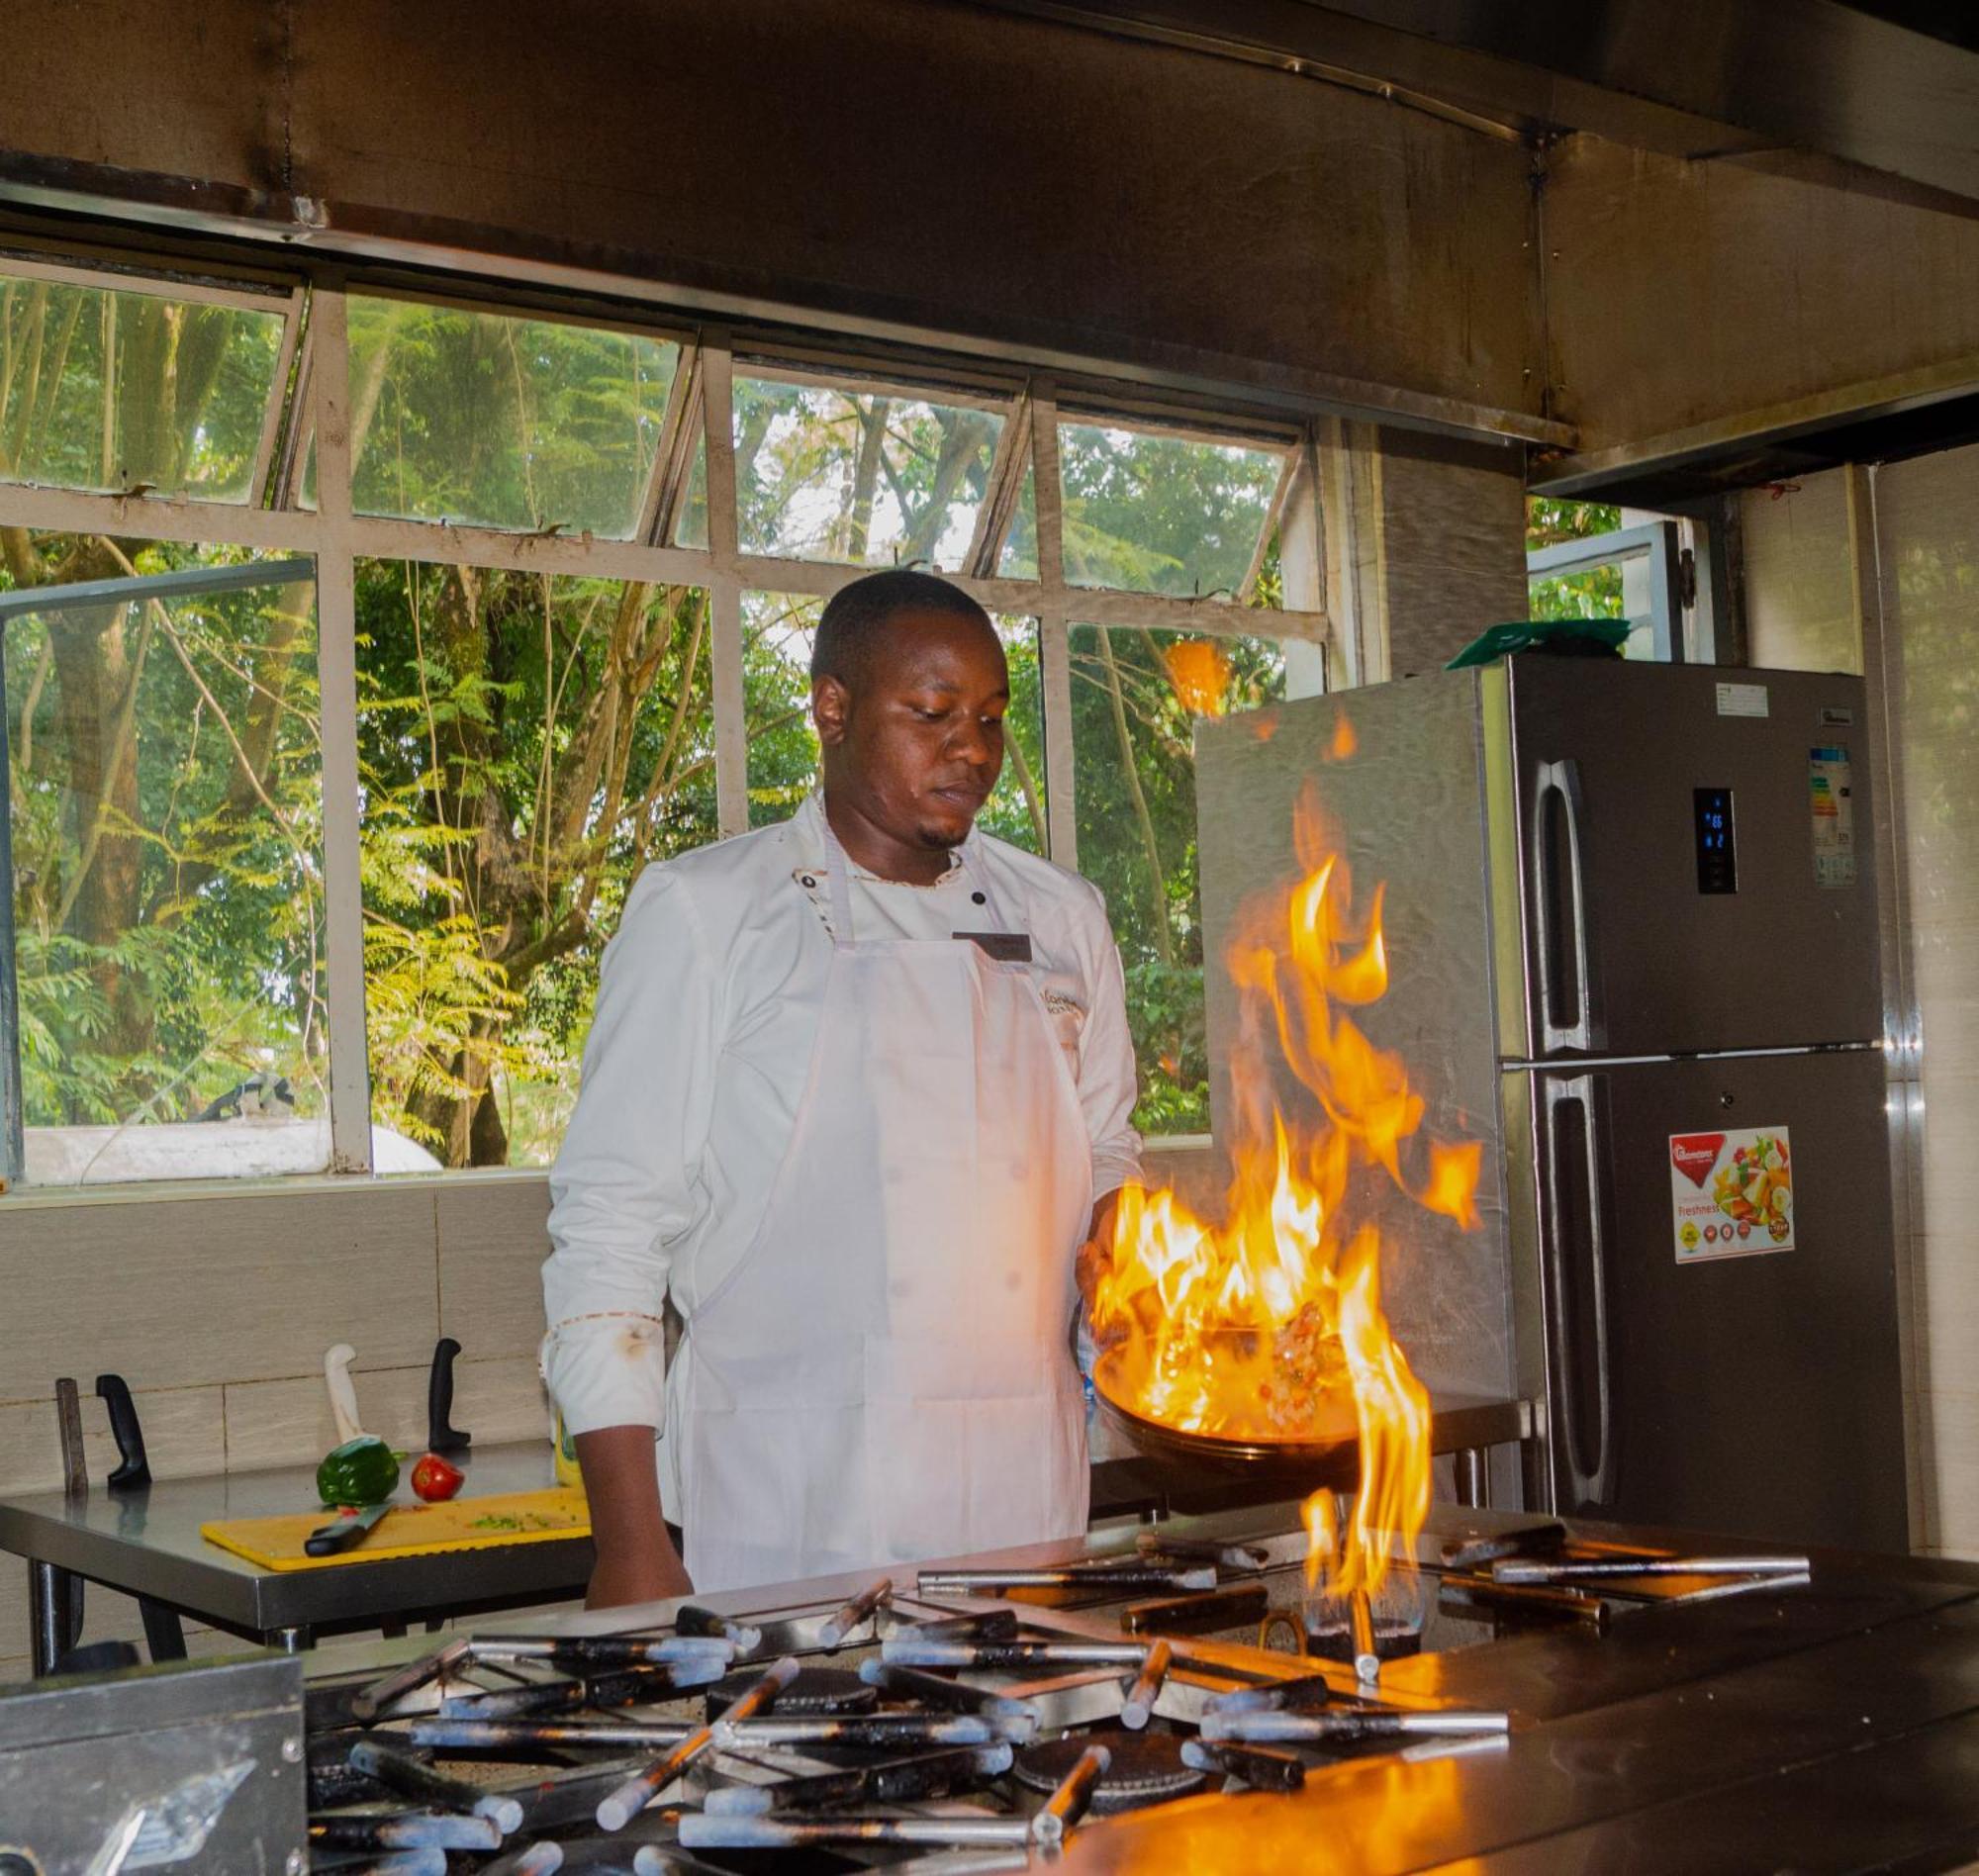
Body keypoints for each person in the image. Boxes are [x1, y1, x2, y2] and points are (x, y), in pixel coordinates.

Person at [542, 569, 1142, 1606]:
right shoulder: (706, 914)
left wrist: (1135, 1295)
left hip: (1024, 1504)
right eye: (932, 714)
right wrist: (628, 1543)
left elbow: (1107, 1159)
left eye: (992, 719)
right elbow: (608, 1230)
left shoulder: (1062, 918)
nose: (973, 749)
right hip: (790, 1513)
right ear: (831, 709)